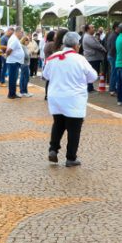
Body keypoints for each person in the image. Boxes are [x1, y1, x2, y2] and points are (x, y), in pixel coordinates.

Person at [43, 31, 98, 167]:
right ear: (75, 45)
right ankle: (71, 157)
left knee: (58, 124)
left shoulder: (53, 57)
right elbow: (93, 77)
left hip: (56, 96)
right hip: (73, 98)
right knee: (74, 128)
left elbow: (45, 75)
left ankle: (53, 149)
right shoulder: (80, 59)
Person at [82, 23, 106, 92]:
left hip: (94, 58)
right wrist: (104, 49)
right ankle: (89, 88)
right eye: (92, 28)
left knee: (93, 73)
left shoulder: (89, 36)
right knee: (92, 73)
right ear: (88, 29)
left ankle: (90, 87)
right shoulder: (87, 37)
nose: (94, 29)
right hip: (92, 58)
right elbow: (96, 45)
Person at [4, 27, 25, 99]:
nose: (22, 34)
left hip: (14, 61)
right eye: (22, 32)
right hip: (13, 62)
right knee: (13, 78)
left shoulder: (14, 38)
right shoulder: (15, 39)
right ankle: (11, 94)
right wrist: (6, 55)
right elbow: (9, 50)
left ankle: (12, 93)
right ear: (18, 32)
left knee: (13, 78)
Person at [105, 22, 119, 95]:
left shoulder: (112, 34)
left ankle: (112, 88)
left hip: (110, 55)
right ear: (116, 27)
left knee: (113, 72)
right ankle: (112, 89)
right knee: (114, 72)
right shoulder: (114, 36)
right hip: (113, 56)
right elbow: (114, 47)